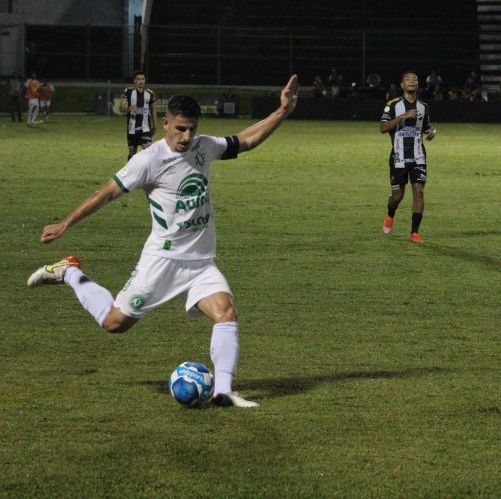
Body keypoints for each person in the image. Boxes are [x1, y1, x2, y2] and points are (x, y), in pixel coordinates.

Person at [26, 75, 300, 407]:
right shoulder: (148, 161)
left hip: (199, 263)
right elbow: (107, 193)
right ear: (165, 123)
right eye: (180, 128)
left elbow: (246, 140)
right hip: (162, 261)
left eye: (192, 129)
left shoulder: (204, 147)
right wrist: (66, 223)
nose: (186, 136)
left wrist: (282, 111)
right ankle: (69, 272)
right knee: (114, 324)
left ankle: (224, 392)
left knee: (226, 313)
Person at [380, 71, 436, 243]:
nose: (412, 81)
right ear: (402, 85)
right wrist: (402, 117)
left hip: (418, 156)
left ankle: (414, 232)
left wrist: (431, 132)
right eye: (407, 79)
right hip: (399, 157)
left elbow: (425, 126)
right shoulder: (392, 105)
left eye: (415, 79)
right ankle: (390, 214)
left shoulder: (424, 107)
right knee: (397, 196)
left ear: (418, 85)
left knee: (418, 191)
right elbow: (383, 128)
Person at [120, 70, 157, 161]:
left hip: (145, 128)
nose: (141, 81)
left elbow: (154, 109)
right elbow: (121, 108)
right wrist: (128, 109)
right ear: (134, 81)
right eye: (138, 79)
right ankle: (129, 172)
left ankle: (147, 173)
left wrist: (155, 126)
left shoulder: (150, 93)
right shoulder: (128, 91)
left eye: (143, 79)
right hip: (132, 129)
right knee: (132, 154)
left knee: (148, 151)